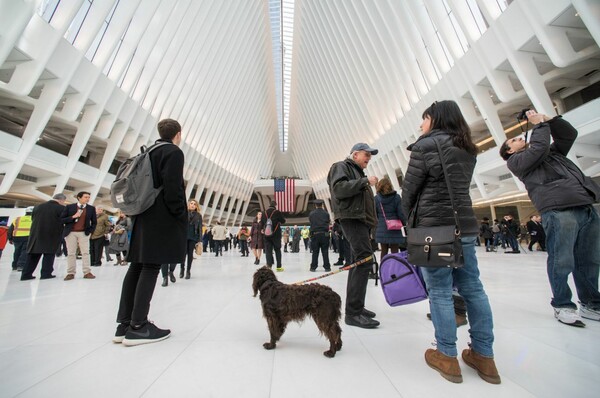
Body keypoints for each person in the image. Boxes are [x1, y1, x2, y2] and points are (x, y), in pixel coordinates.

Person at [402, 100, 499, 384]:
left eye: (424, 119)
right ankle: (484, 355)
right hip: (465, 227)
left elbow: (409, 191)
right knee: (473, 288)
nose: (421, 125)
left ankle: (446, 355)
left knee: (441, 292)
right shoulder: (467, 148)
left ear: (435, 118)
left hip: (435, 230)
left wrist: (409, 221)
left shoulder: (425, 145)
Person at [500, 110, 600, 327]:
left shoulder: (551, 153)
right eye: (516, 140)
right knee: (561, 259)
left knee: (589, 259)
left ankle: (591, 302)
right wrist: (539, 126)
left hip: (584, 205)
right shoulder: (517, 162)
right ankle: (563, 304)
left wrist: (549, 120)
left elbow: (568, 135)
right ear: (509, 151)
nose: (521, 139)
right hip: (558, 208)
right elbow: (537, 148)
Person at [114, 118, 187, 346]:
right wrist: (179, 214)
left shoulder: (147, 152)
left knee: (136, 265)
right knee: (151, 266)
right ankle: (139, 326)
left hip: (142, 216)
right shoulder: (172, 152)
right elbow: (173, 188)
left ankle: (124, 324)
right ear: (178, 134)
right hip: (160, 218)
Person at [327, 142, 380, 329]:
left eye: (370, 156)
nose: (369, 158)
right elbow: (339, 189)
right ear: (355, 154)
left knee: (360, 261)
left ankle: (356, 307)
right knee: (363, 261)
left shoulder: (357, 172)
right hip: (351, 219)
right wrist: (365, 182)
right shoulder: (341, 167)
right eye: (366, 154)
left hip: (360, 221)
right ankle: (353, 312)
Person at [20, 194, 68, 280]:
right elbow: (63, 220)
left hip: (36, 234)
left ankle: (26, 274)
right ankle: (46, 274)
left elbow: (33, 218)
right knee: (49, 254)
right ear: (62, 200)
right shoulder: (61, 208)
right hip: (51, 234)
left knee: (33, 255)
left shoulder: (38, 207)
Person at [61, 191, 97, 280]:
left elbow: (94, 222)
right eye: (86, 197)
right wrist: (73, 216)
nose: (88, 199)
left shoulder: (91, 208)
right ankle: (71, 273)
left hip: (84, 233)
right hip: (71, 233)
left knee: (85, 252)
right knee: (71, 253)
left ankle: (87, 272)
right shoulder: (69, 207)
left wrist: (90, 231)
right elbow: (62, 219)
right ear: (79, 198)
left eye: (88, 197)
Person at [374, 176, 406, 263]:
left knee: (383, 250)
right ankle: (394, 270)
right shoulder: (396, 197)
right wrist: (404, 223)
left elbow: (375, 214)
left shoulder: (376, 199)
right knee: (395, 250)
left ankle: (383, 270)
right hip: (394, 227)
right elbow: (401, 213)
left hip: (382, 227)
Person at [179, 199, 202, 279]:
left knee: (190, 254)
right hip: (184, 236)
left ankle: (188, 271)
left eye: (194, 204)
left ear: (196, 206)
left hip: (193, 236)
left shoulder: (198, 215)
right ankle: (182, 269)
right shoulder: (184, 213)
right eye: (191, 203)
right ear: (188, 205)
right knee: (183, 254)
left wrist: (199, 240)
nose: (192, 205)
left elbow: (199, 228)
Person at [8, 207, 33, 271]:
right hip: (28, 237)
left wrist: (10, 238)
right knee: (24, 251)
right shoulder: (34, 219)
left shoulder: (18, 219)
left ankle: (14, 265)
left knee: (17, 251)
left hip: (16, 237)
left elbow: (11, 229)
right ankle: (21, 265)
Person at [309, 199, 331, 272]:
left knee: (315, 252)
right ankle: (327, 267)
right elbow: (328, 222)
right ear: (322, 205)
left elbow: (311, 223)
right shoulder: (326, 213)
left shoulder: (312, 214)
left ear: (315, 205)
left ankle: (313, 267)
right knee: (325, 251)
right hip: (325, 234)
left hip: (315, 235)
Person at [263, 200, 286, 271]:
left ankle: (269, 267)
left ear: (269, 205)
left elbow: (262, 223)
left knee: (268, 251)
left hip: (267, 235)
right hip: (276, 235)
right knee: (277, 250)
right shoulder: (277, 212)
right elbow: (283, 221)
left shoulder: (264, 213)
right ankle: (279, 267)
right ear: (275, 205)